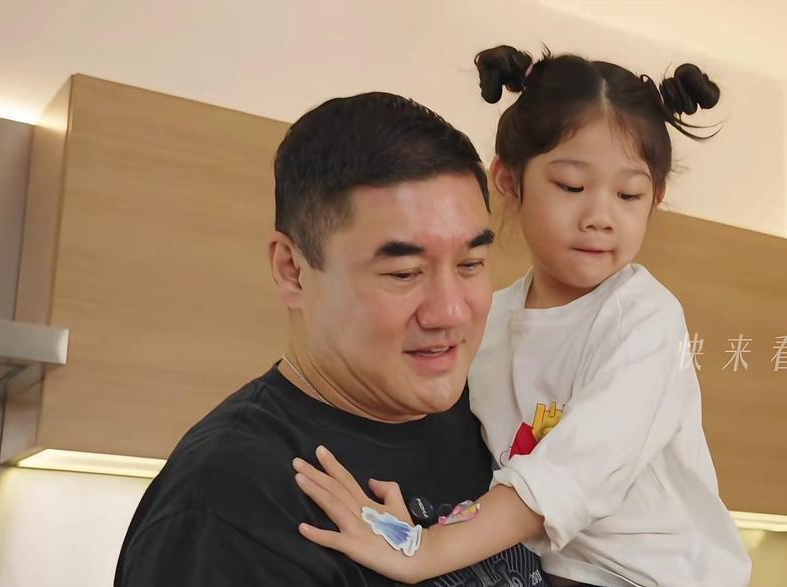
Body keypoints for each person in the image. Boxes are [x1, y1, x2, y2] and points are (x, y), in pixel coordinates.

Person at [292, 47, 753, 587]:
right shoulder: (486, 321)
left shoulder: (646, 318)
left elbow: (575, 472)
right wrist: (412, 527)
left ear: (656, 197)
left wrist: (423, 549)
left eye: (629, 195)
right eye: (572, 187)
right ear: (509, 181)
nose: (600, 217)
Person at [114, 92, 545, 586]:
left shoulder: (497, 414)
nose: (450, 312)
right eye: (404, 273)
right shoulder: (226, 512)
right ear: (292, 271)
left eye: (470, 264)